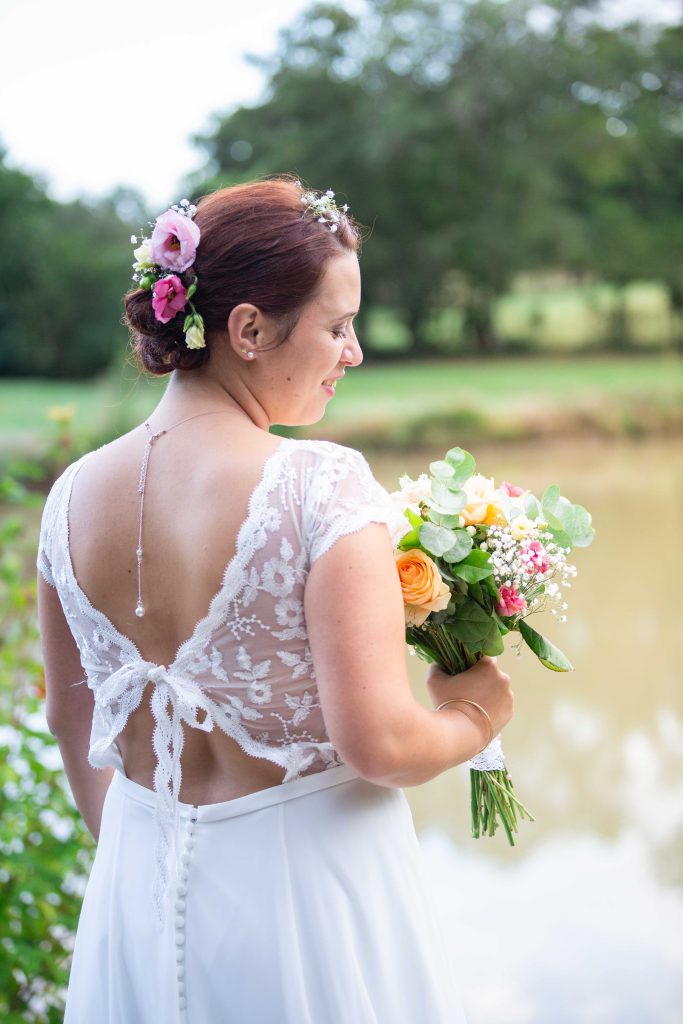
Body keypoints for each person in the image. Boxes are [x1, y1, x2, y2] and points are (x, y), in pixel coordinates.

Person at [36, 177, 514, 1023]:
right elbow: (380, 745)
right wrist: (475, 713)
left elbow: (74, 725)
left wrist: (141, 862)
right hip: (308, 900)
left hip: (136, 894)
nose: (353, 351)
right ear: (248, 329)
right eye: (337, 325)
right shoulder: (317, 486)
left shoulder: (70, 495)